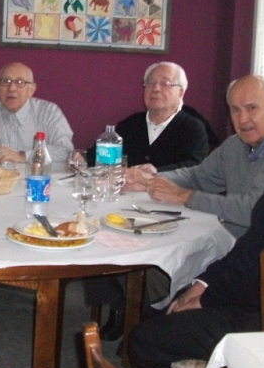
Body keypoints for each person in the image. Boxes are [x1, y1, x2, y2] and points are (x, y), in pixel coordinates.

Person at [128, 163, 264, 368]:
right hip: (248, 292)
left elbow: (258, 273)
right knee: (170, 301)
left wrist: (207, 299)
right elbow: (248, 246)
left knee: (144, 340)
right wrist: (203, 283)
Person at [84, 62, 210, 341]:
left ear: (181, 92)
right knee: (93, 230)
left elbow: (194, 167)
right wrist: (79, 158)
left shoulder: (193, 128)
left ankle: (139, 309)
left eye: (165, 84)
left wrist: (154, 173)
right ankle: (116, 307)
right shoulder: (131, 124)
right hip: (123, 203)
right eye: (150, 83)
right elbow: (96, 154)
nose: (155, 89)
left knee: (135, 244)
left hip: (167, 207)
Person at [126, 75, 264, 238]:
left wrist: (184, 196)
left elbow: (254, 210)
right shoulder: (234, 145)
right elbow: (198, 177)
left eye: (251, 108)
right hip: (229, 241)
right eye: (235, 110)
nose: (242, 119)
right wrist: (148, 179)